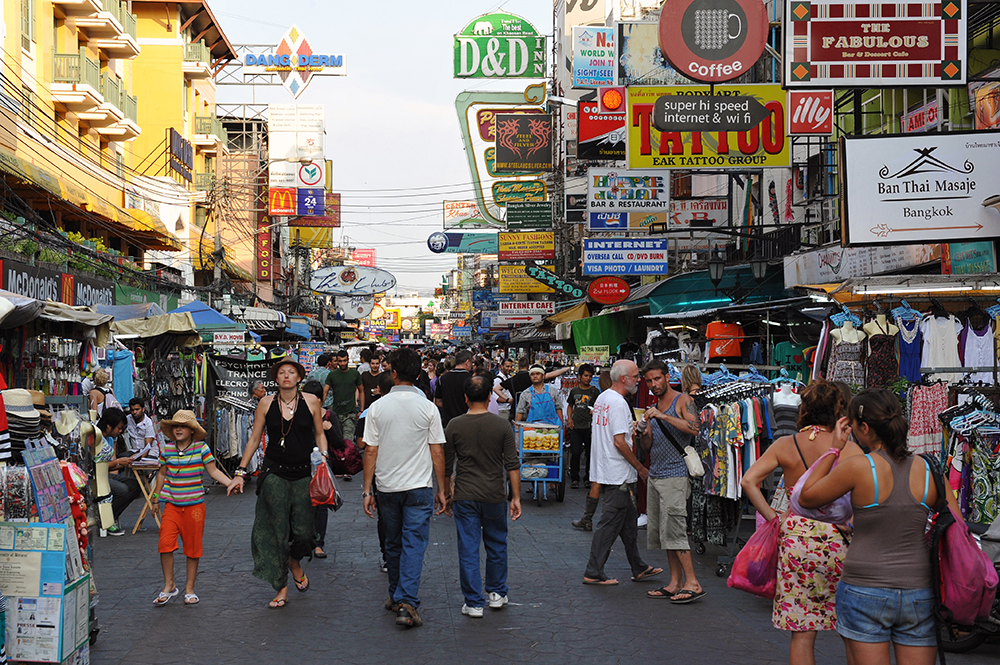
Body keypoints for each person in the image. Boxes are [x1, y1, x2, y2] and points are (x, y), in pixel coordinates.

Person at [799, 388, 958, 665]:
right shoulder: (928, 469)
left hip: (864, 588)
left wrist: (834, 448)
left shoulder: (859, 467)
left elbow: (807, 496)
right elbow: (959, 526)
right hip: (919, 592)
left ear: (863, 427)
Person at [742, 380, 862, 665]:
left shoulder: (787, 444)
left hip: (798, 539)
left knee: (803, 632)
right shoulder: (850, 449)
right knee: (851, 630)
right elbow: (864, 494)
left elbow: (749, 481)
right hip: (840, 540)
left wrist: (776, 520)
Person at [227, 357, 328, 609]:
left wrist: (323, 461)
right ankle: (281, 587)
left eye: (291, 372)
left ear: (298, 377)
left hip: (305, 473)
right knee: (276, 532)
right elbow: (253, 439)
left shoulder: (312, 401)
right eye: (281, 372)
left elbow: (319, 434)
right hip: (274, 473)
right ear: (276, 378)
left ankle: (295, 562)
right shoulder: (265, 403)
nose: (286, 376)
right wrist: (240, 472)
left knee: (305, 533)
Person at [362, 347, 447, 628]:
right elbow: (437, 452)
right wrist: (442, 489)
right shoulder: (428, 407)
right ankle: (406, 601)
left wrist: (366, 490)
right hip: (419, 486)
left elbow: (370, 452)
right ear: (419, 373)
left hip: (386, 486)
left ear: (393, 373)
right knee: (413, 544)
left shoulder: (377, 407)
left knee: (393, 542)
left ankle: (396, 596)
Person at [443, 375, 521, 618]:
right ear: (490, 397)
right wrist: (515, 497)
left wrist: (445, 493)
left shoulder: (454, 425)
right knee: (497, 543)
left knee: (468, 547)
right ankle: (496, 593)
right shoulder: (501, 426)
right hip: (494, 493)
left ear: (465, 398)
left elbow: (447, 466)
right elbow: (512, 464)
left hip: (465, 494)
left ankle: (474, 602)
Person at [582, 360, 662, 586]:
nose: (639, 380)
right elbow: (619, 442)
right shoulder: (617, 403)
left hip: (611, 472)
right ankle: (593, 571)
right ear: (623, 379)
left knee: (628, 524)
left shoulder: (603, 398)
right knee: (608, 524)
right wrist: (640, 468)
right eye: (636, 376)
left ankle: (638, 567)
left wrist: (638, 427)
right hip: (617, 474)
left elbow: (616, 435)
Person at [151, 410, 236, 606]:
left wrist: (230, 483)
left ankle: (189, 588)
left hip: (194, 507)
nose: (178, 429)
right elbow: (162, 474)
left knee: (192, 549)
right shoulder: (168, 449)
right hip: (172, 505)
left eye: (183, 426)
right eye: (175, 426)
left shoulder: (201, 448)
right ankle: (169, 585)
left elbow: (213, 471)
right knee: (165, 544)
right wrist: (156, 498)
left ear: (191, 430)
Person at [639, 360, 705, 604]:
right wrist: (643, 431)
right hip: (656, 473)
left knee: (676, 529)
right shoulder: (654, 406)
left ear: (667, 377)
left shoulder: (683, 400)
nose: (654, 384)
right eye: (649, 381)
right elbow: (648, 446)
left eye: (657, 379)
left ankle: (693, 583)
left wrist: (663, 417)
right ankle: (675, 582)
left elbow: (695, 428)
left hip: (676, 474)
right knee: (665, 532)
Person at [301, 379, 346, 560]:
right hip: (301, 465)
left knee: (320, 505)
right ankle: (304, 540)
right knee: (302, 503)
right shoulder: (298, 416)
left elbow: (339, 443)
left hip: (322, 466)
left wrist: (329, 429)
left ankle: (319, 543)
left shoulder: (329, 416)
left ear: (321, 399)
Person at [101, 407, 140, 536]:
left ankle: (112, 516)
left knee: (135, 485)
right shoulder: (96, 438)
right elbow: (98, 466)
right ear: (108, 426)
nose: (120, 431)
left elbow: (111, 465)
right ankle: (106, 521)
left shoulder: (111, 439)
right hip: (96, 476)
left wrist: (125, 463)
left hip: (105, 473)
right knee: (122, 489)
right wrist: (119, 462)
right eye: (119, 428)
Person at [566, 364, 599, 490]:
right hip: (576, 426)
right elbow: (570, 405)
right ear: (579, 376)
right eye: (586, 376)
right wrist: (569, 419)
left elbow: (598, 407)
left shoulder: (594, 391)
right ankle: (575, 478)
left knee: (591, 454)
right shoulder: (574, 391)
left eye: (590, 376)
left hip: (589, 427)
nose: (588, 378)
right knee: (575, 452)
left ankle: (588, 477)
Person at [323, 350, 363, 442]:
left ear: (348, 360)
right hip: (336, 413)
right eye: (340, 361)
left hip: (350, 413)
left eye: (344, 360)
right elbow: (325, 391)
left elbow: (361, 391)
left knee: (348, 441)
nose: (342, 363)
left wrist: (361, 410)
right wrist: (319, 406)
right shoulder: (332, 375)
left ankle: (348, 456)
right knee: (338, 440)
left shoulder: (355, 374)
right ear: (337, 361)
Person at [435, 349, 473, 427]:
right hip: (466, 422)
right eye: (471, 363)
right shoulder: (471, 379)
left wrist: (449, 406)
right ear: (467, 362)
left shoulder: (442, 378)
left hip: (448, 422)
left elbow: (438, 402)